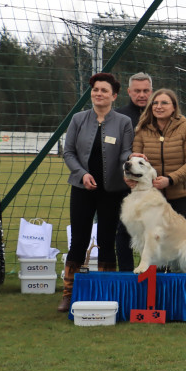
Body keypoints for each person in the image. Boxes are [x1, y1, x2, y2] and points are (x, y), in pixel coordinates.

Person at [58, 72, 133, 312]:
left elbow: (125, 152)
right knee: (79, 240)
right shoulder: (78, 119)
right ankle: (69, 294)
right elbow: (68, 152)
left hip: (112, 191)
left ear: (114, 95)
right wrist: (82, 174)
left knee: (107, 241)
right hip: (82, 189)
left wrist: (128, 161)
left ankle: (106, 293)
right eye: (95, 90)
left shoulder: (124, 123)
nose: (98, 93)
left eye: (104, 90)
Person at [133, 88, 186, 227]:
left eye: (164, 103)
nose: (159, 107)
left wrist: (170, 180)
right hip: (152, 198)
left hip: (183, 198)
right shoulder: (142, 130)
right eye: (155, 103)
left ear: (174, 107)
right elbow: (136, 160)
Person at [114, 72, 153, 271]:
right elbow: (114, 152)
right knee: (124, 230)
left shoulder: (160, 112)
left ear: (151, 91)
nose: (141, 95)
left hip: (155, 185)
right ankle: (127, 274)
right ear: (129, 92)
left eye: (146, 90)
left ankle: (159, 274)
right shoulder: (119, 116)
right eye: (137, 91)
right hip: (126, 186)